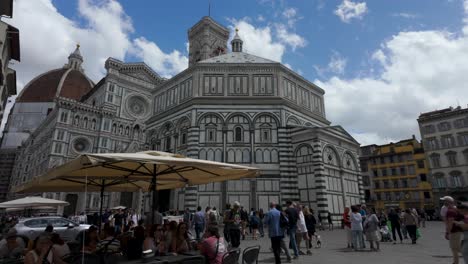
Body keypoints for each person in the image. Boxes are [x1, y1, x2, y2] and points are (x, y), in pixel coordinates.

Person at [443, 196, 463, 264]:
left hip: (454, 231)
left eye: (444, 201)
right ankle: (455, 262)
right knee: (454, 248)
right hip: (458, 231)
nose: (443, 202)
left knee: (456, 248)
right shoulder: (455, 209)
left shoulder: (450, 211)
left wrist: (447, 232)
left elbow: (450, 223)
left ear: (448, 202)